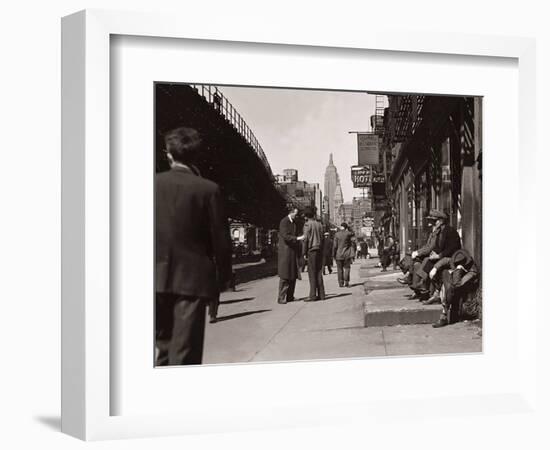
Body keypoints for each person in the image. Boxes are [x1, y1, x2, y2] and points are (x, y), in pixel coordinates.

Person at [155, 126, 231, 366]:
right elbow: (221, 240)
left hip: (153, 278)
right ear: (196, 157)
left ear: (168, 154)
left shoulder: (149, 185)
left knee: (162, 348)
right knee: (185, 352)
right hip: (192, 281)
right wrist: (223, 278)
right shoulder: (208, 189)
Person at [431, 249, 479, 328]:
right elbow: (445, 260)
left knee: (451, 289)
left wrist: (457, 270)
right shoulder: (456, 260)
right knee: (447, 286)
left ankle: (444, 314)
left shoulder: (472, 271)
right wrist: (435, 268)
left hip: (464, 279)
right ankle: (444, 311)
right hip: (456, 277)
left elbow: (457, 284)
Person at [277, 207, 304, 304]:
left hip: (292, 251)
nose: (296, 216)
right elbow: (285, 236)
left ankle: (290, 296)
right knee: (285, 275)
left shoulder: (294, 222)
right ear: (291, 213)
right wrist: (297, 238)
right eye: (295, 214)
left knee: (292, 274)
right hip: (286, 252)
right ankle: (281, 297)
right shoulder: (284, 222)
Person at [302, 207, 325, 301]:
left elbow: (305, 239)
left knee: (312, 273)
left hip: (311, 250)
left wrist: (304, 252)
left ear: (306, 216)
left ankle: (312, 295)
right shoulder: (319, 224)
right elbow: (323, 238)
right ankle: (322, 294)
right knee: (319, 273)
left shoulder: (307, 225)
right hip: (319, 250)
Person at [333, 223, 354, 287]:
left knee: (339, 269)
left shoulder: (337, 234)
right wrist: (349, 228)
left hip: (339, 254)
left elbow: (335, 246)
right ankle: (346, 281)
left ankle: (340, 282)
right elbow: (353, 233)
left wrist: (333, 254)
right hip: (347, 254)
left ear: (341, 227)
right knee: (347, 268)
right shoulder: (348, 233)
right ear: (346, 227)